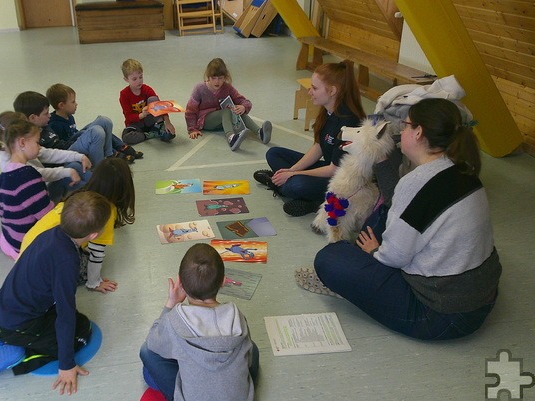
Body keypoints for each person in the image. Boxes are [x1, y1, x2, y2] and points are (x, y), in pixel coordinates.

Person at [312, 98, 502, 340]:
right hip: (481, 298)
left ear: (419, 132)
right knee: (383, 214)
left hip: (440, 315)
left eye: (406, 125)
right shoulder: (463, 169)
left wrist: (374, 252)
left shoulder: (417, 181)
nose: (401, 131)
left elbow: (394, 257)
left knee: (329, 258)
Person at [0, 191, 111, 395]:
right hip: (17, 323)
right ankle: (19, 350)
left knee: (68, 319)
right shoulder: (67, 261)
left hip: (0, 309)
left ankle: (0, 335)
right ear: (94, 234)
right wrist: (66, 364)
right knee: (82, 331)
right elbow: (65, 314)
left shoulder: (49, 234)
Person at [139, 243, 259, 401]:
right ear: (223, 281)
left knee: (146, 352)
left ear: (180, 283)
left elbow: (153, 342)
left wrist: (170, 304)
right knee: (253, 348)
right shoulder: (238, 317)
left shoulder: (174, 320)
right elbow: (248, 359)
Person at [253, 61, 365, 216]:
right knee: (273, 153)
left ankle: (296, 193)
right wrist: (292, 170)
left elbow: (334, 169)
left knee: (297, 185)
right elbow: (319, 147)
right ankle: (285, 185)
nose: (309, 91)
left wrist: (294, 175)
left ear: (332, 91)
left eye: (315, 88)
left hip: (341, 182)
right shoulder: (328, 110)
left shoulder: (349, 121)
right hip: (327, 168)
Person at [20, 158, 135, 293]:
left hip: (26, 254)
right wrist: (94, 282)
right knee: (85, 265)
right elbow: (96, 254)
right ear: (125, 187)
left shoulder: (81, 195)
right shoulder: (105, 211)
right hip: (39, 274)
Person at [0, 111, 93, 203]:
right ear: (21, 140)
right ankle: (95, 193)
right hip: (40, 194)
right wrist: (67, 171)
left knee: (74, 165)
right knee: (72, 171)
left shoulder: (23, 148)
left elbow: (50, 154)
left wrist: (79, 156)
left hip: (42, 186)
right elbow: (38, 174)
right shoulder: (8, 161)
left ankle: (95, 189)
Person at [0, 119, 54, 260]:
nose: (39, 147)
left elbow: (0, 210)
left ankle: (5, 242)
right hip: (25, 243)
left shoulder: (2, 176)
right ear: (22, 143)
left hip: (11, 235)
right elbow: (46, 216)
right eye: (37, 142)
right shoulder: (28, 176)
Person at [185, 57, 272, 151]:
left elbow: (243, 101)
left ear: (225, 77)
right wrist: (192, 129)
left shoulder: (227, 87)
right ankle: (231, 138)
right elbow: (190, 110)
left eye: (220, 78)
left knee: (238, 110)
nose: (217, 81)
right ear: (208, 77)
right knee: (226, 111)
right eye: (213, 78)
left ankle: (260, 132)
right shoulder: (200, 88)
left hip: (223, 122)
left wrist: (243, 107)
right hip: (205, 121)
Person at [46, 83, 143, 163]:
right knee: (97, 131)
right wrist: (84, 137)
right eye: (73, 102)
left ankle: (116, 150)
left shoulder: (69, 116)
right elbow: (62, 147)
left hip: (75, 139)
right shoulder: (54, 124)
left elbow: (74, 132)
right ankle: (113, 154)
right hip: (71, 150)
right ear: (61, 105)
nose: (76, 104)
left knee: (104, 121)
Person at [13, 91, 110, 167]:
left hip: (67, 145)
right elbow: (50, 159)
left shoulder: (43, 125)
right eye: (46, 113)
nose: (49, 116)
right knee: (97, 131)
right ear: (32, 118)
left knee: (104, 121)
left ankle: (109, 155)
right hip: (65, 156)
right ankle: (98, 170)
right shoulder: (31, 140)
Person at [119, 59, 176, 144]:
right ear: (126, 79)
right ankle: (150, 134)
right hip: (136, 124)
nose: (139, 81)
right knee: (126, 138)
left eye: (141, 77)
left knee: (153, 99)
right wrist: (141, 115)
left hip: (150, 121)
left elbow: (161, 106)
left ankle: (160, 126)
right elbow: (128, 116)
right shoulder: (124, 94)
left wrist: (168, 122)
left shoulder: (147, 89)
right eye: (134, 79)